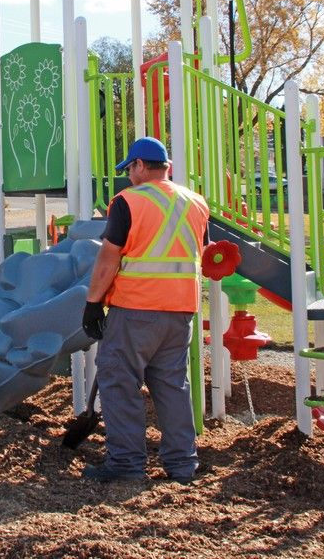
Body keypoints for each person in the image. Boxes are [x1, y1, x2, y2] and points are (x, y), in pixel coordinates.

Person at [81, 137, 210, 484]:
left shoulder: (128, 202)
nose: (129, 177)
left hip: (136, 308)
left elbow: (109, 259)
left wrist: (93, 303)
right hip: (181, 310)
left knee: (119, 381)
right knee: (171, 385)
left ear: (139, 165)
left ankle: (126, 463)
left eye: (130, 169)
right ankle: (183, 465)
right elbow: (199, 252)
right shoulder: (196, 203)